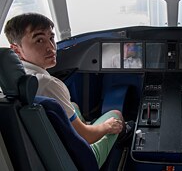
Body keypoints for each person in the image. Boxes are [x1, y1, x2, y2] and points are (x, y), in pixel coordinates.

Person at [4, 13, 134, 168]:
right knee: (116, 115)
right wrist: (106, 126)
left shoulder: (13, 83)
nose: (51, 47)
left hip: (42, 151)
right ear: (16, 50)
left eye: (51, 38)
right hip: (81, 158)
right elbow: (86, 136)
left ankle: (86, 123)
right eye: (39, 40)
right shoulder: (47, 84)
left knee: (73, 105)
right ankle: (124, 138)